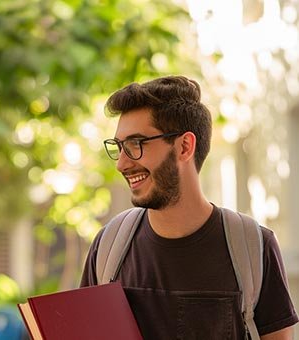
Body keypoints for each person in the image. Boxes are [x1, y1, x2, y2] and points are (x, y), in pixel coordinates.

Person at [80, 76, 298, 339]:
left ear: (184, 146)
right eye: (119, 147)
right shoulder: (108, 247)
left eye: (136, 145)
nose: (122, 164)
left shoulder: (254, 248)